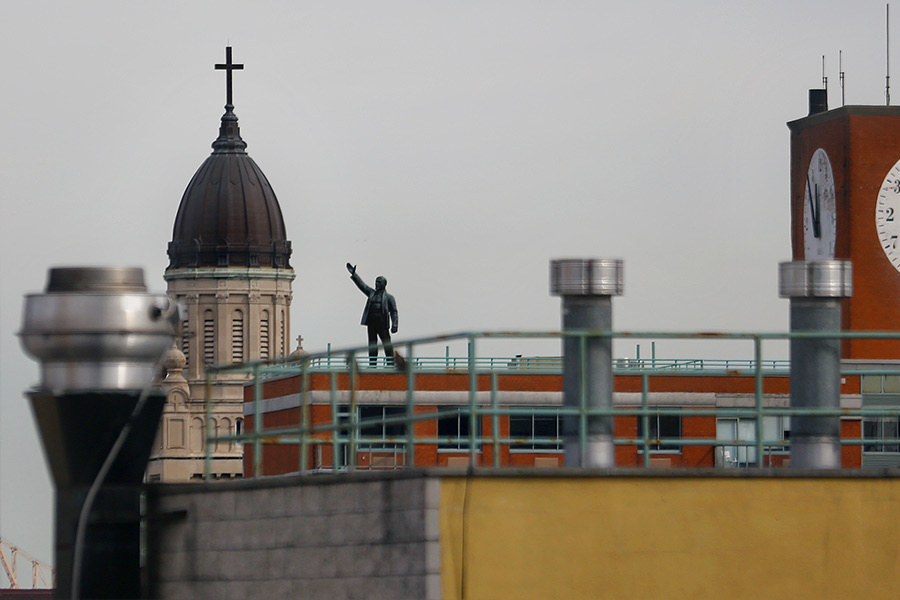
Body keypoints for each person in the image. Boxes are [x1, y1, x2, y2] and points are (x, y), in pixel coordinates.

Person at [346, 263, 398, 366]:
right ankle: (372, 364)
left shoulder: (389, 297)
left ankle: (390, 364)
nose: (376, 284)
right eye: (376, 282)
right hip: (371, 323)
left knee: (387, 344)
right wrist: (354, 274)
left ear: (384, 284)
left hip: (382, 324)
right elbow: (362, 286)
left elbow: (394, 312)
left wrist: (394, 325)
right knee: (372, 345)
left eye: (379, 282)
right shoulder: (371, 293)